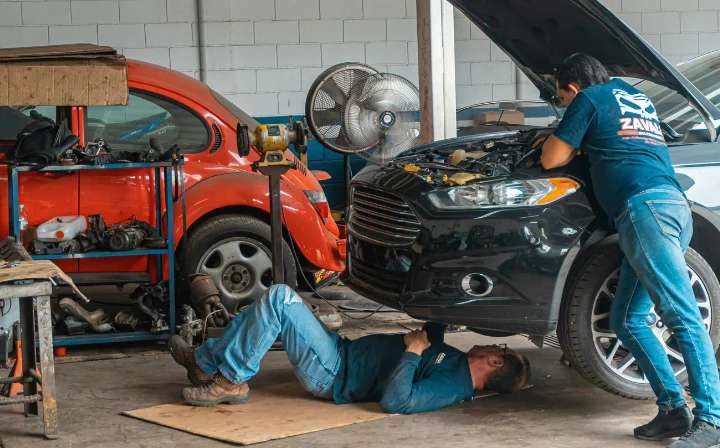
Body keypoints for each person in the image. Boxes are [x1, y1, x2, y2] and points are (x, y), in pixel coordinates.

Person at [541, 52, 720, 448]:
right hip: (673, 206)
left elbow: (552, 157)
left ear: (573, 88)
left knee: (682, 317)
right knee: (628, 320)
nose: (568, 106)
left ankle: (712, 421)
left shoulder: (588, 98)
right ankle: (674, 410)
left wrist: (565, 135)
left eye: (563, 100)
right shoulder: (634, 97)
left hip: (645, 212)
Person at [168, 284, 530, 414]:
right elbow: (433, 330)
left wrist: (413, 352)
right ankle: (205, 363)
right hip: (341, 352)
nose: (490, 343)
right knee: (263, 311)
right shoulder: (453, 360)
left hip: (332, 375)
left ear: (495, 361)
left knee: (281, 299)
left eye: (498, 346)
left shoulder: (452, 386)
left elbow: (397, 402)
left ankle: (231, 380)